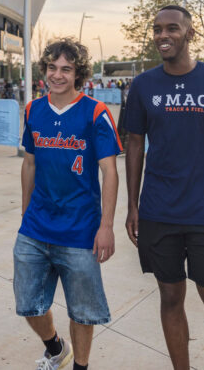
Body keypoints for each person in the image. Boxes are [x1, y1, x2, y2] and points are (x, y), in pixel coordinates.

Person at [122, 5, 204, 370]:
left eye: (172, 29)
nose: (163, 35)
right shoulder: (144, 85)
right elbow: (134, 143)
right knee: (170, 296)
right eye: (157, 29)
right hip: (158, 208)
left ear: (190, 34)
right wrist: (132, 205)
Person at [16, 38, 120, 370]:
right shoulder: (34, 110)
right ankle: (56, 348)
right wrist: (24, 211)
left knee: (83, 311)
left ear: (79, 74)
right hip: (36, 226)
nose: (57, 75)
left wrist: (106, 227)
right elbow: (29, 164)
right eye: (52, 67)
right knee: (29, 304)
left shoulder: (96, 113)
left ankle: (81, 366)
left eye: (66, 69)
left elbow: (110, 172)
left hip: (81, 230)